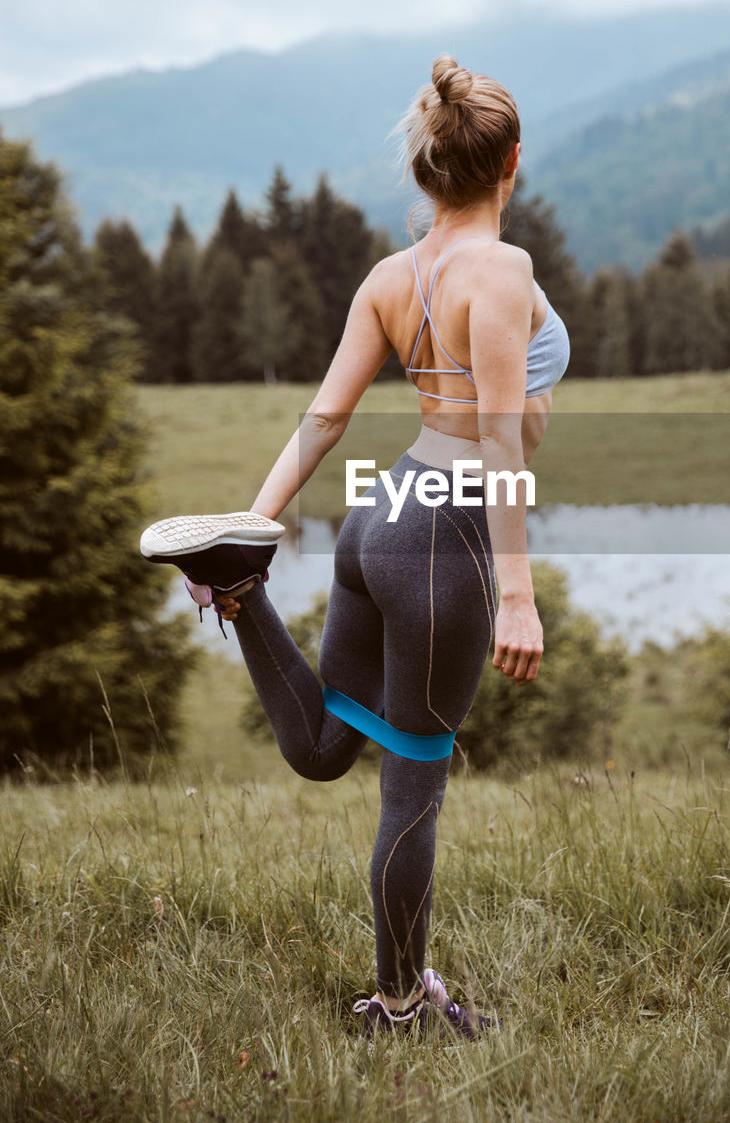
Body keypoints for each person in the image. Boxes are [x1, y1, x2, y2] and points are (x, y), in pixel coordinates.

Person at [140, 55, 570, 1038]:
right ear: (511, 160)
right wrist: (515, 593)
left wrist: (255, 523)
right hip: (447, 531)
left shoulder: (390, 276)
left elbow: (326, 418)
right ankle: (400, 1003)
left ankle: (238, 582)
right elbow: (501, 440)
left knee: (326, 746)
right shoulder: (503, 270)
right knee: (412, 786)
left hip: (385, 512)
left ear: (426, 166)